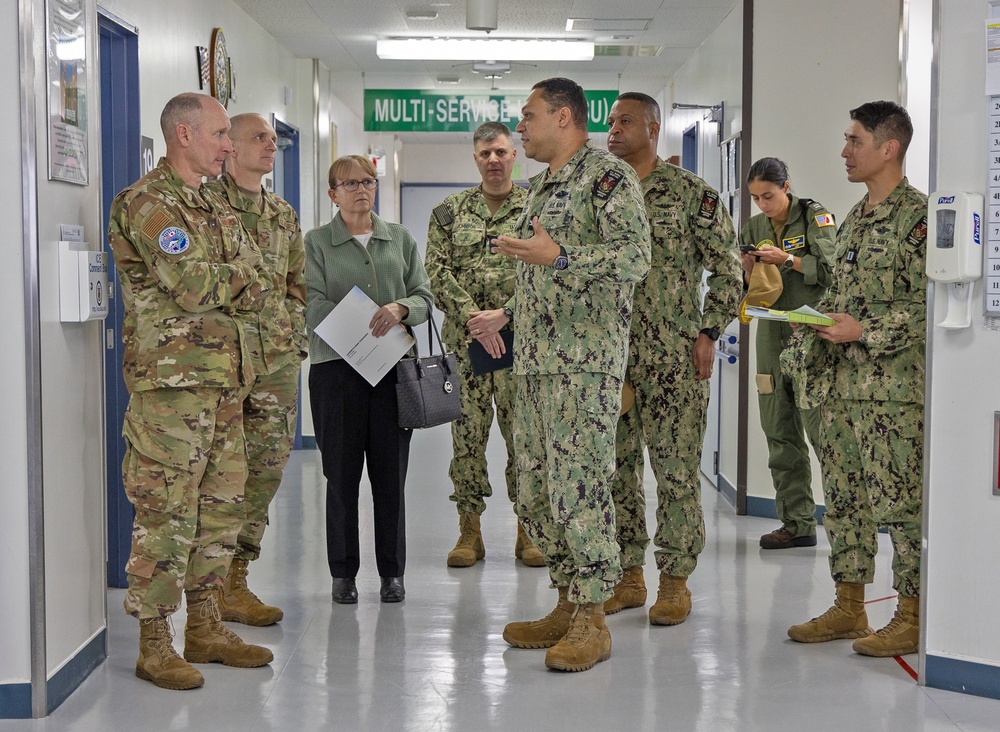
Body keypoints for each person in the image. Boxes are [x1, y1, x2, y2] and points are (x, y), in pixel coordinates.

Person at [473, 78, 651, 672]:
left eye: (529, 116)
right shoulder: (544, 185)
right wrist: (509, 312)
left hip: (584, 366)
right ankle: (566, 598)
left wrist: (562, 257)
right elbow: (540, 275)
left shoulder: (608, 178)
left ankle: (592, 620)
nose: (519, 128)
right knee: (538, 487)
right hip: (536, 362)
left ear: (564, 117)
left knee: (581, 488)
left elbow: (634, 257)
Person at [108, 92, 274, 690]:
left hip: (225, 383)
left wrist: (234, 280)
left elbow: (262, 274)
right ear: (184, 135)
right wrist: (236, 280)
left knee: (219, 510)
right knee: (166, 514)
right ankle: (155, 643)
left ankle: (204, 629)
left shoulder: (214, 206)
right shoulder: (147, 203)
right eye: (222, 134)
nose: (230, 145)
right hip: (171, 392)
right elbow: (197, 286)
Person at [783, 101, 927, 657]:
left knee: (902, 504)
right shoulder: (856, 216)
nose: (844, 151)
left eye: (854, 140)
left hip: (891, 393)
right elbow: (840, 296)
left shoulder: (918, 219)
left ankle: (911, 614)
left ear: (888, 148)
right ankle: (849, 606)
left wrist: (864, 329)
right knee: (844, 500)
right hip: (841, 388)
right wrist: (816, 322)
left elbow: (924, 307)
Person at [603, 92, 741, 625]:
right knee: (616, 472)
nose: (613, 130)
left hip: (673, 359)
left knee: (676, 474)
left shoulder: (691, 195)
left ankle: (675, 582)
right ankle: (629, 577)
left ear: (654, 128)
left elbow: (729, 270)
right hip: (611, 360)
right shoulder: (602, 193)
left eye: (626, 121)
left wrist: (710, 330)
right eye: (611, 122)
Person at [305, 155, 432, 605]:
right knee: (340, 477)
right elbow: (311, 303)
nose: (361, 189)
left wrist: (400, 309)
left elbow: (424, 296)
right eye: (350, 183)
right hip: (336, 372)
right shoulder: (317, 242)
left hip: (392, 371)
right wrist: (359, 320)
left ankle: (392, 573)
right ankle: (343, 574)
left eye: (368, 181)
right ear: (332, 193)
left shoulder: (398, 239)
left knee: (389, 476)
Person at [424, 121, 544, 569]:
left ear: (515, 155)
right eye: (484, 154)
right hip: (466, 347)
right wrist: (478, 321)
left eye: (500, 152)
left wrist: (505, 314)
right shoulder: (449, 212)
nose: (493, 160)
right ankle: (469, 531)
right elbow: (435, 273)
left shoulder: (538, 206)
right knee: (467, 439)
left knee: (525, 439)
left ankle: (527, 530)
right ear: (475, 159)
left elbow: (546, 271)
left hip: (524, 345)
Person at [206, 113, 308, 625]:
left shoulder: (282, 212)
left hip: (274, 364)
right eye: (259, 138)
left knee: (266, 471)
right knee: (220, 477)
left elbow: (296, 283)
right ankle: (208, 585)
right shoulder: (204, 205)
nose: (271, 145)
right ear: (230, 147)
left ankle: (236, 579)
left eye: (273, 139)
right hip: (221, 362)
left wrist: (292, 339)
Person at [740, 157, 837, 550]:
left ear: (787, 186)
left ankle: (843, 523)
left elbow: (832, 270)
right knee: (778, 430)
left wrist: (789, 261)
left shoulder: (816, 217)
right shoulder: (754, 227)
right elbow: (744, 282)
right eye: (756, 198)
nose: (763, 204)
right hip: (770, 332)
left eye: (769, 195)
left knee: (821, 432)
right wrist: (748, 269)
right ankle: (796, 523)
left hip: (809, 332)